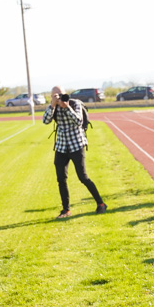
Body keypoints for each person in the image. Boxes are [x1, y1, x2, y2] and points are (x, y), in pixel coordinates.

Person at [43, 86, 106, 218]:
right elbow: (45, 121)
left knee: (83, 177)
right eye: (55, 95)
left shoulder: (74, 103)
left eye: (60, 94)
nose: (59, 97)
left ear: (65, 94)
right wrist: (53, 105)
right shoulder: (53, 106)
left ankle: (100, 204)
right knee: (61, 178)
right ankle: (66, 210)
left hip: (76, 144)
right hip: (61, 146)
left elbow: (78, 120)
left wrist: (66, 106)